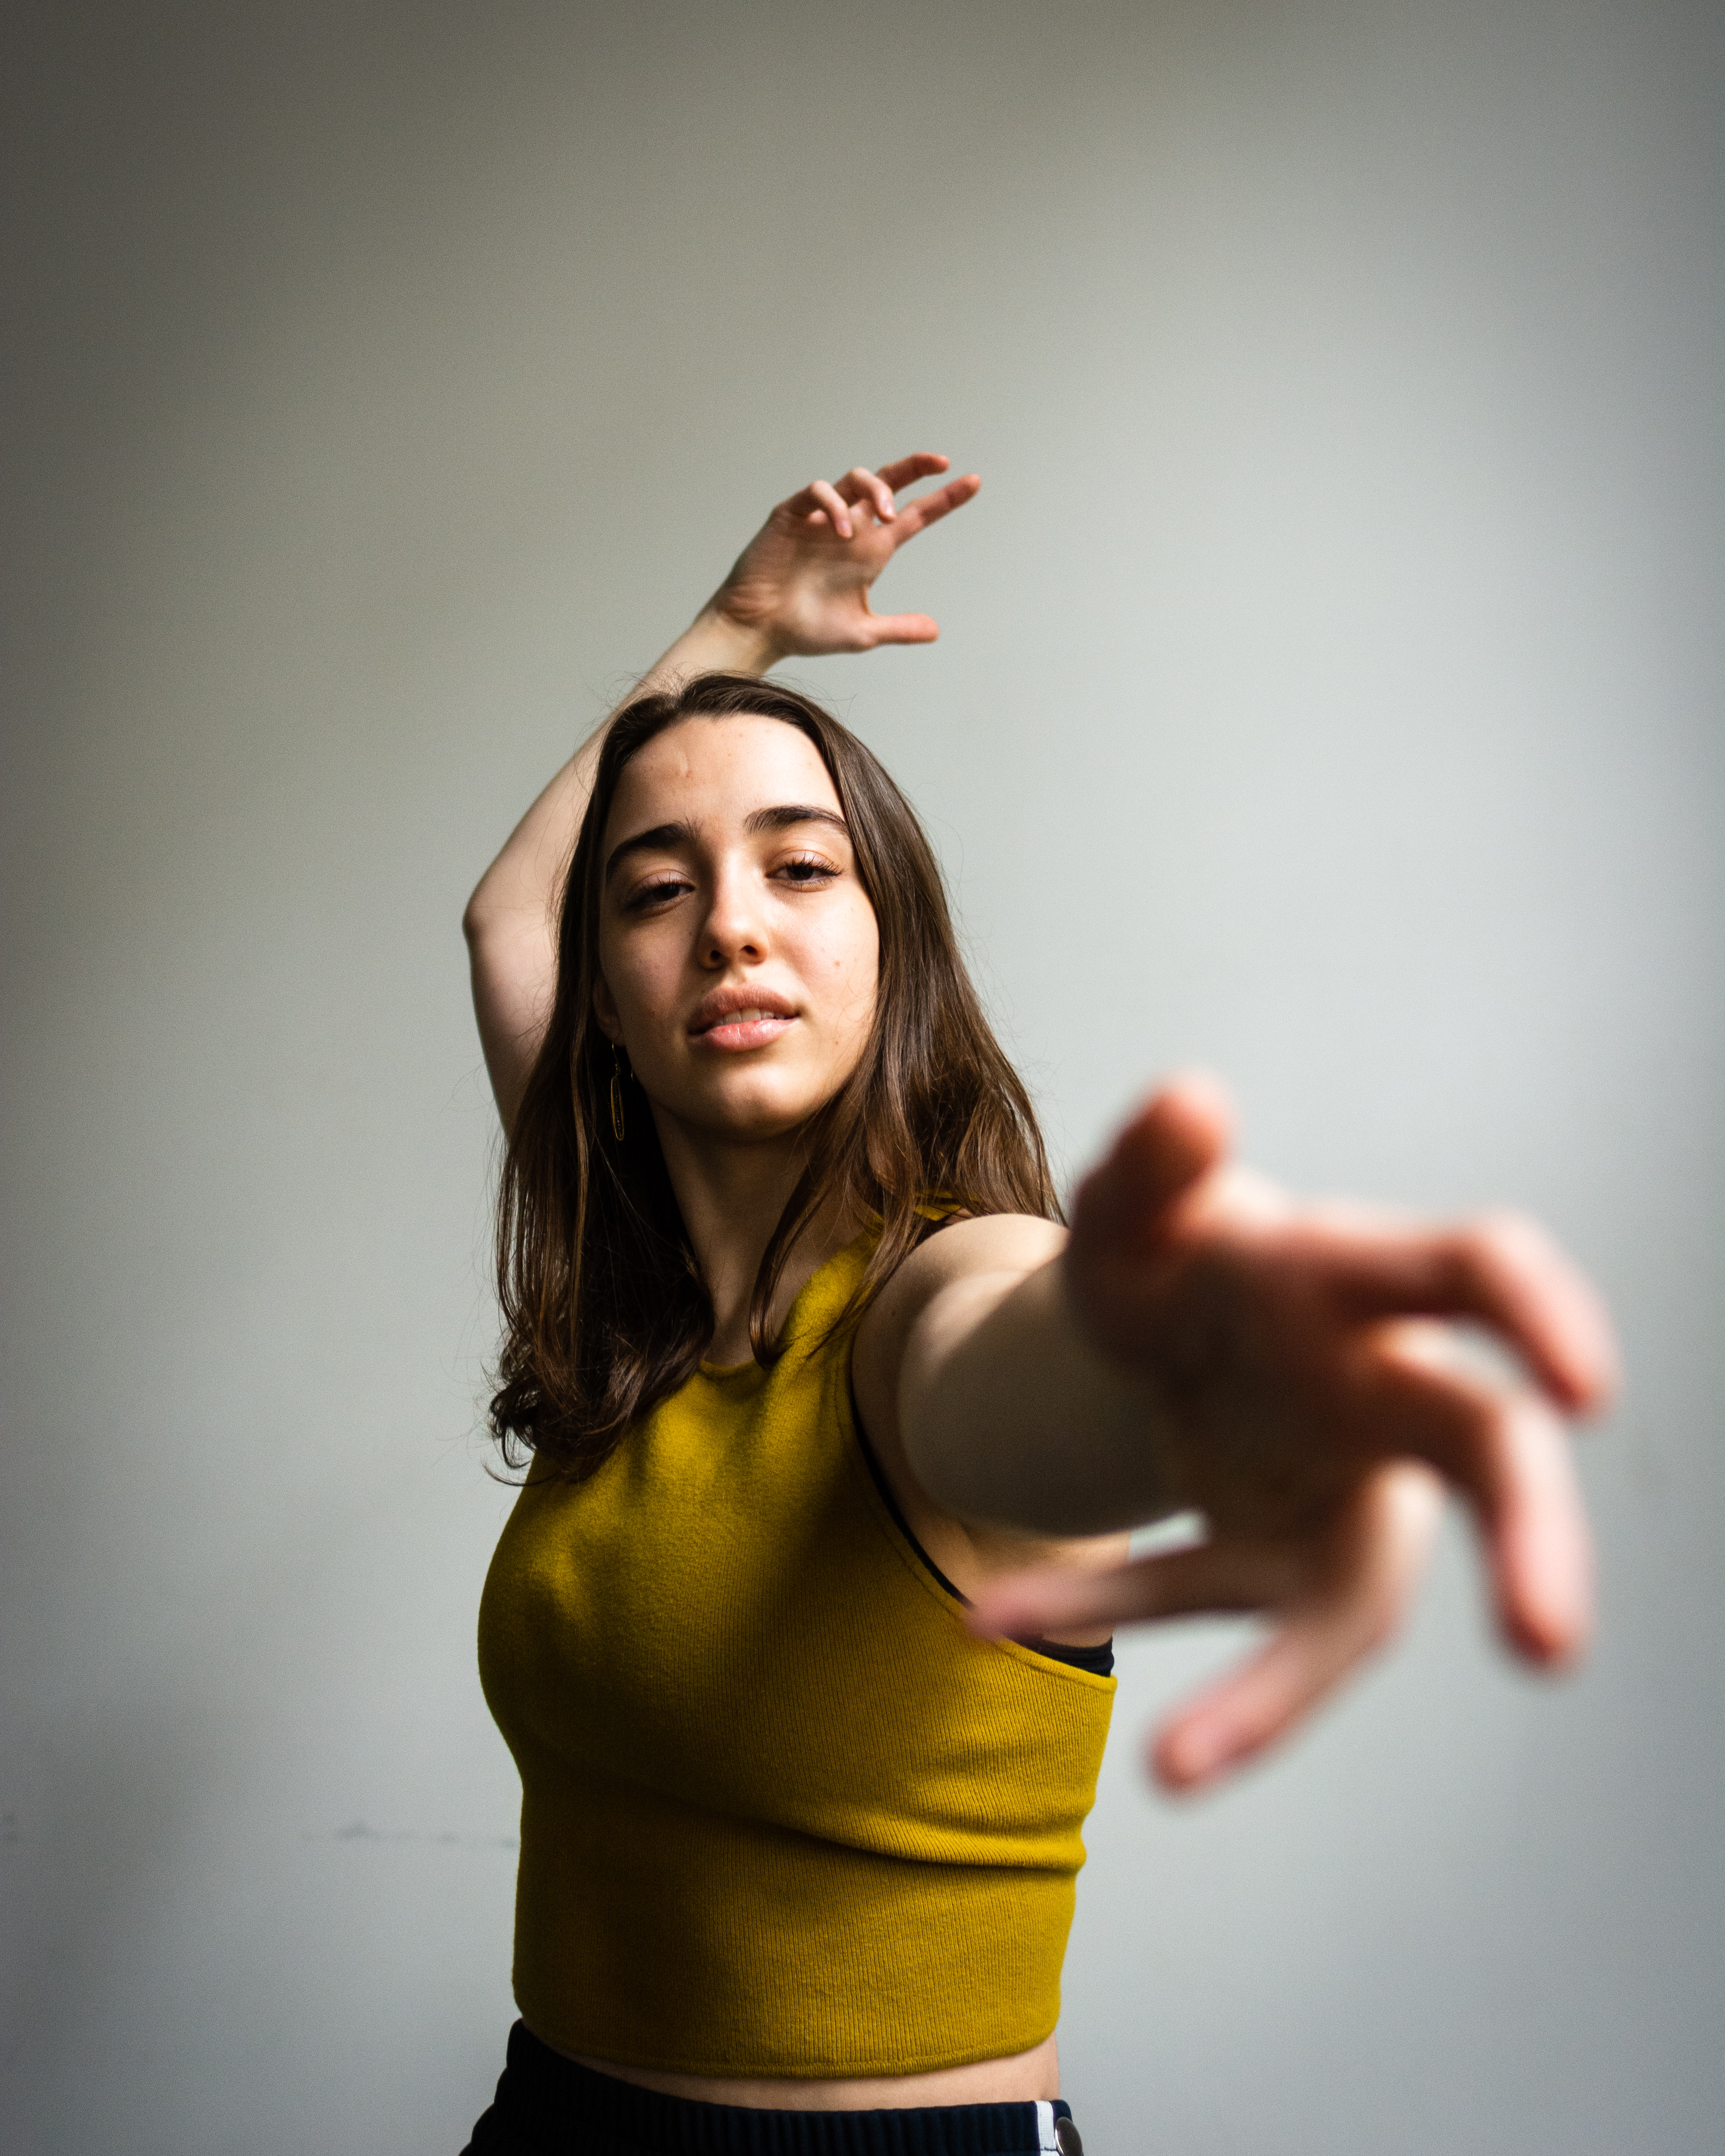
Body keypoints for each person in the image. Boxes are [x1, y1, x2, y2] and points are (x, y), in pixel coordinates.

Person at [458, 453, 1616, 2156]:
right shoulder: (626, 1315)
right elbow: (504, 915)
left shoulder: (942, 1290)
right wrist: (743, 630)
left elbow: (1049, 1371)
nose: (728, 928)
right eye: (654, 888)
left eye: (801, 868)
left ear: (893, 949)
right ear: (605, 1018)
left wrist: (1210, 1361)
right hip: (548, 2116)